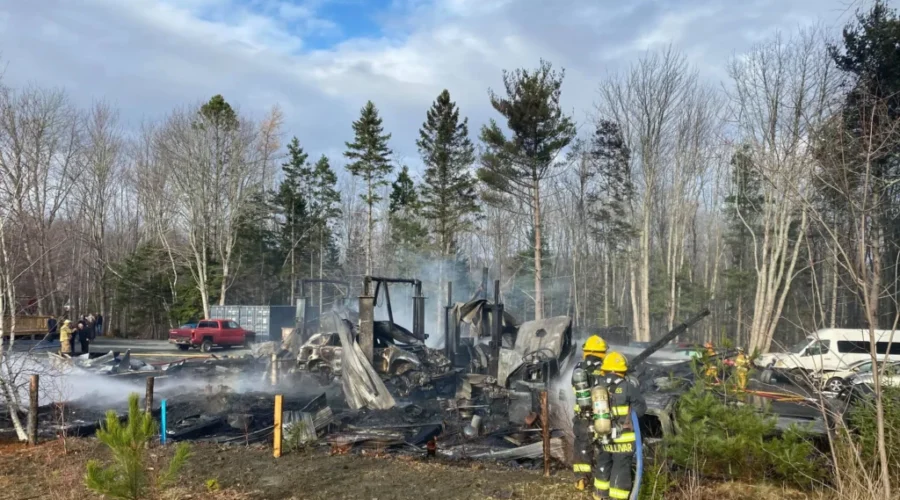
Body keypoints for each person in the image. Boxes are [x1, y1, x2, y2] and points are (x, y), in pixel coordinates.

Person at [594, 351, 646, 500]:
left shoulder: (598, 386)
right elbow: (641, 409)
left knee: (604, 464)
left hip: (603, 435)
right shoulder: (627, 386)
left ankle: (599, 496)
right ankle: (617, 497)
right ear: (623, 370)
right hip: (623, 438)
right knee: (620, 468)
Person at [571, 335, 608, 491]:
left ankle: (581, 480)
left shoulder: (579, 368)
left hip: (582, 416)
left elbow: (574, 387)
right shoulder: (606, 368)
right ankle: (602, 480)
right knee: (603, 448)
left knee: (582, 446)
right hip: (602, 416)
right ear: (603, 352)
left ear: (585, 352)